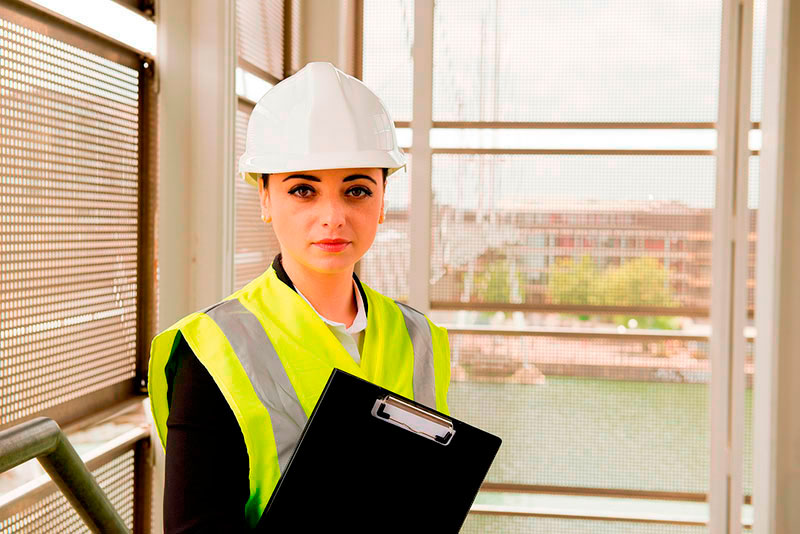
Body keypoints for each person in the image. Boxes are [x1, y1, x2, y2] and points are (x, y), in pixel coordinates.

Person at [147, 61, 452, 532]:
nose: (332, 216)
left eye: (356, 190)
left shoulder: (419, 339)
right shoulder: (214, 348)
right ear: (265, 198)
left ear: (383, 201)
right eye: (303, 190)